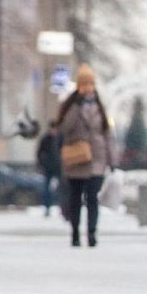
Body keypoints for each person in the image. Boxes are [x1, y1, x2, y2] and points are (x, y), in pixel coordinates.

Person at [57, 64, 115, 247]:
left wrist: (112, 159)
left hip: (97, 158)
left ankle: (91, 232)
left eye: (90, 84)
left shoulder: (100, 107)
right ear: (79, 86)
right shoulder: (70, 106)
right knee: (75, 198)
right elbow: (64, 128)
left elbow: (107, 134)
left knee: (92, 197)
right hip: (77, 158)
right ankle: (74, 232)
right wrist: (76, 106)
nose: (88, 88)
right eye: (84, 84)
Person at [36, 120, 62, 217]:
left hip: (59, 167)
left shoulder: (60, 139)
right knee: (46, 189)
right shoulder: (45, 139)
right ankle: (47, 208)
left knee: (61, 189)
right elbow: (39, 153)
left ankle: (61, 208)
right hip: (48, 168)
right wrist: (42, 164)